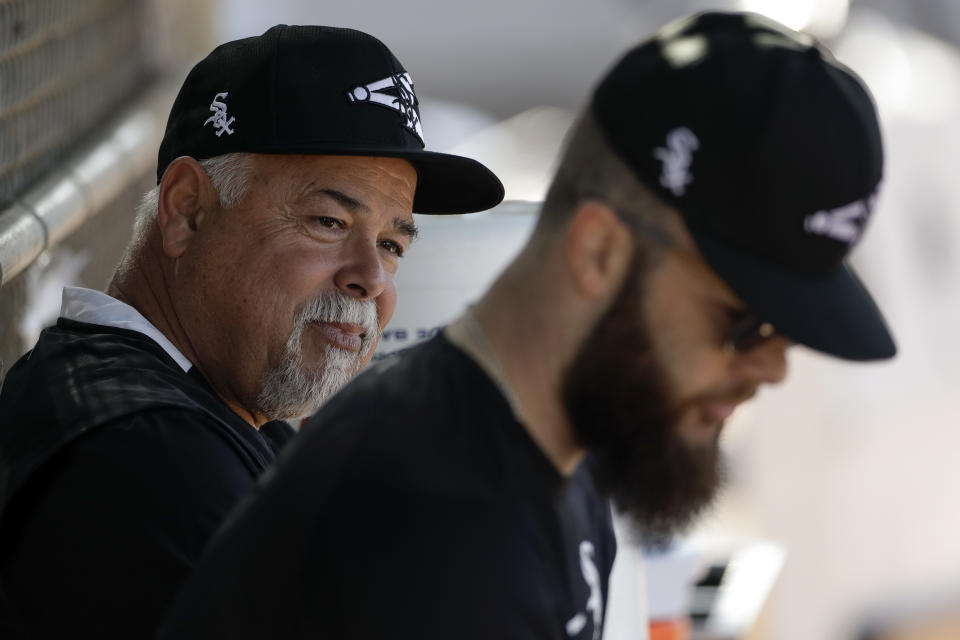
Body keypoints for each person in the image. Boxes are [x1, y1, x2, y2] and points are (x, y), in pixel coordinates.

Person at [158, 12, 896, 639]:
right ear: (599, 252)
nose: (772, 368)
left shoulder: (551, 464)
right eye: (745, 321)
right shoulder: (435, 529)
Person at [0, 25, 502, 637]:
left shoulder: (195, 416)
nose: (370, 277)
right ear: (187, 209)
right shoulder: (155, 459)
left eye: (392, 243)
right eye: (327, 220)